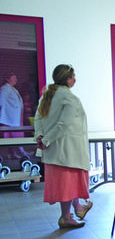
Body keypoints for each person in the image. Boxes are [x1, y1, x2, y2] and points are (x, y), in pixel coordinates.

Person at [33, 64, 92, 229]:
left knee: (68, 184)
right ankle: (66, 217)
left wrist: (40, 137)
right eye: (73, 76)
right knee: (67, 185)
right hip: (67, 151)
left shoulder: (47, 96)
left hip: (53, 151)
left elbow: (38, 119)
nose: (75, 79)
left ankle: (77, 208)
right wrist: (46, 140)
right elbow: (63, 125)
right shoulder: (70, 98)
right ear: (67, 79)